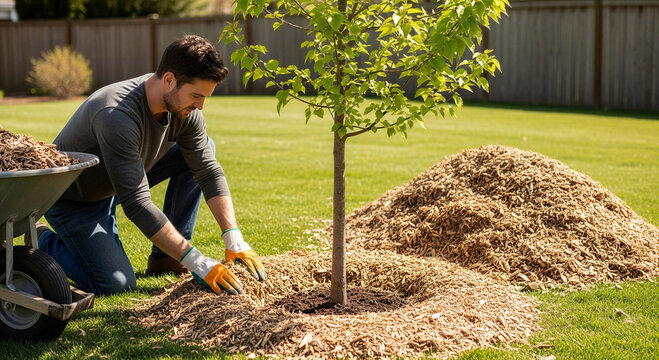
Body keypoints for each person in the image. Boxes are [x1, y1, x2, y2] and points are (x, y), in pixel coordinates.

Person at [32, 35, 266, 296]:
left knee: (205, 149)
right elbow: (137, 203)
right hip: (75, 201)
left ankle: (165, 258)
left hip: (118, 179)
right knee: (117, 285)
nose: (200, 106)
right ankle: (43, 237)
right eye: (196, 96)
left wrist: (233, 236)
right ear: (169, 80)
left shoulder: (185, 109)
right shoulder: (116, 114)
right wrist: (196, 261)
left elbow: (208, 171)